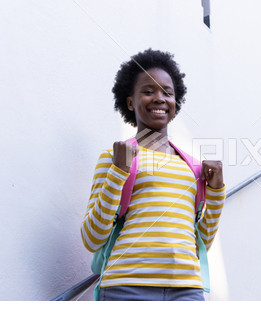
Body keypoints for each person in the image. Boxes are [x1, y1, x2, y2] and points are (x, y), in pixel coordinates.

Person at [81, 48, 226, 301]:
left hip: (187, 291)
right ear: (130, 102)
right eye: (148, 91)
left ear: (175, 102)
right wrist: (118, 172)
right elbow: (92, 238)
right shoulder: (115, 157)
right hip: (125, 287)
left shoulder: (192, 167)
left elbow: (201, 241)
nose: (159, 98)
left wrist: (216, 193)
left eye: (168, 93)